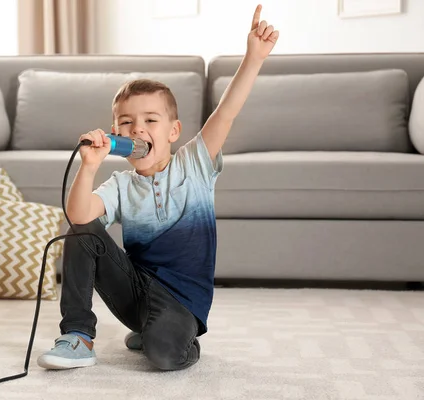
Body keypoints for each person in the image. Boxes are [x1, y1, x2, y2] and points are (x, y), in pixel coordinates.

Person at [37, 4, 279, 371]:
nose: (137, 129)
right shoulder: (120, 184)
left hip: (181, 301)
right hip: (134, 291)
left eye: (150, 120)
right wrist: (88, 166)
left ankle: (177, 338)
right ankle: (78, 336)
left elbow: (226, 112)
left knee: (163, 357)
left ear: (173, 132)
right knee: (80, 232)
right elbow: (79, 216)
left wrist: (254, 57)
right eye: (126, 122)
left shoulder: (194, 163)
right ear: (116, 133)